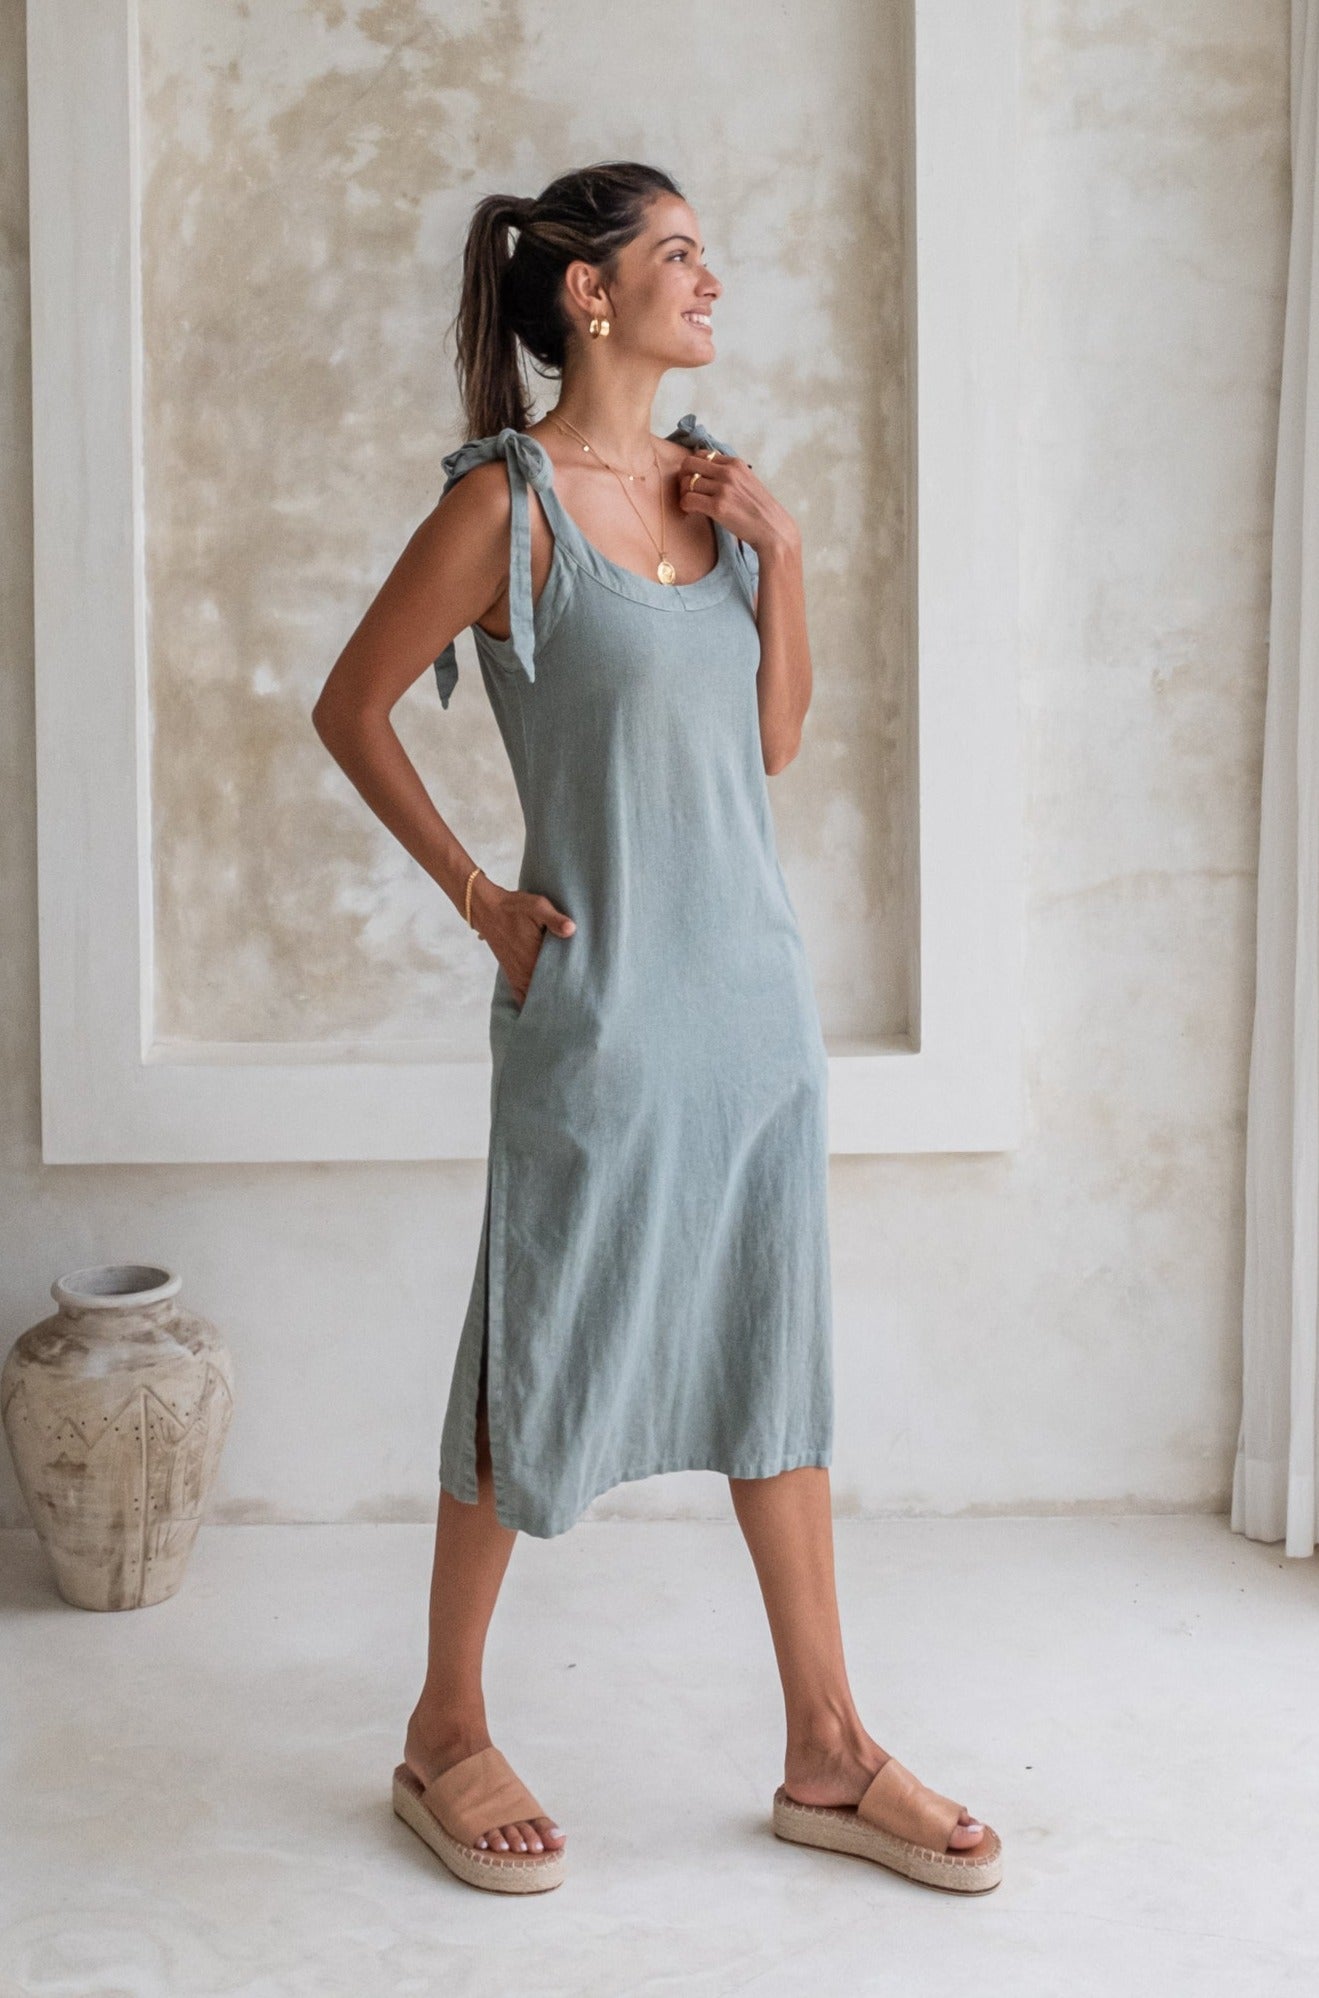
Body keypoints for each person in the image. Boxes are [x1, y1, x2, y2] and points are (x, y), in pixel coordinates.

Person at [312, 160, 1000, 1897]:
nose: (716, 279)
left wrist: (782, 548)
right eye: (680, 255)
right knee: (534, 1342)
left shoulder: (714, 497)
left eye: (712, 253)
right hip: (600, 1012)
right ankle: (443, 1726)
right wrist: (482, 899)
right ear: (589, 298)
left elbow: (770, 740)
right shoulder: (511, 505)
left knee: (779, 1362)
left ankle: (830, 1747)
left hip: (754, 1009)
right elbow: (352, 704)